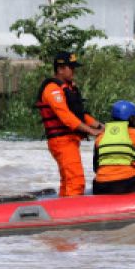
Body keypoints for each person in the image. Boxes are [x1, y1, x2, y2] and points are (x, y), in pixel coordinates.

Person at [35, 52, 104, 197]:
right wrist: (92, 132)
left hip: (70, 141)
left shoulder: (68, 88)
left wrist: (100, 126)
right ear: (60, 69)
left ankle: (61, 209)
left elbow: (80, 115)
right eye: (71, 68)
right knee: (76, 182)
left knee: (67, 180)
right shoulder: (52, 90)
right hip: (61, 141)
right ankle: (73, 214)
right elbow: (66, 117)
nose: (74, 71)